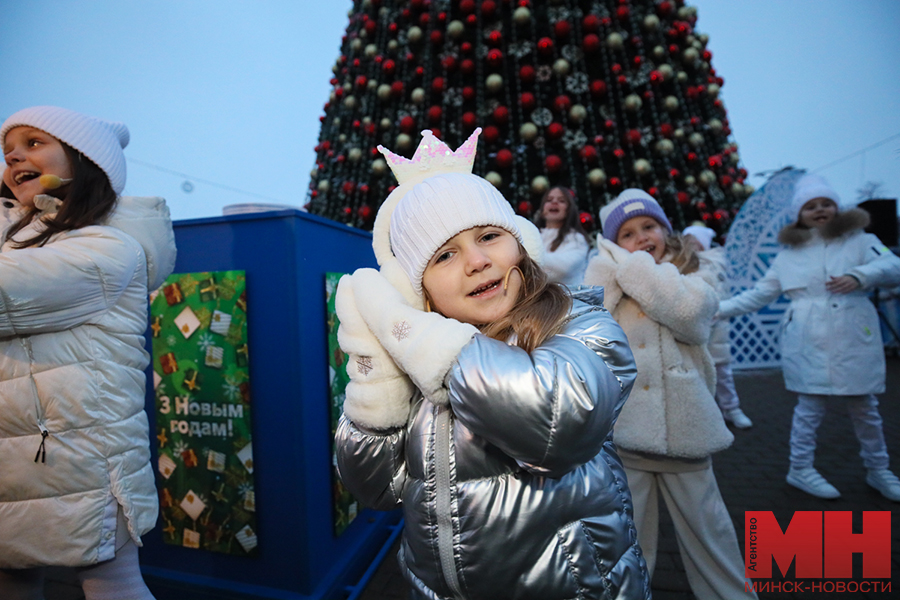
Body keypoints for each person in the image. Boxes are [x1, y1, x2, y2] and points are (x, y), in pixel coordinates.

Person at [333, 129, 650, 600]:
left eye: (489, 236)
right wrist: (377, 373)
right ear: (419, 288)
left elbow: (556, 426)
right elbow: (376, 487)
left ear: (520, 244)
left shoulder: (579, 323)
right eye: (445, 255)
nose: (477, 262)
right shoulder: (411, 361)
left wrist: (411, 332)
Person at [0, 106, 176, 600]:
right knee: (13, 577)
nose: (14, 154)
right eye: (8, 151)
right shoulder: (18, 240)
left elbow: (11, 292)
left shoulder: (106, 248)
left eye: (34, 143)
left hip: (82, 456)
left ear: (83, 162)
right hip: (15, 453)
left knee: (110, 583)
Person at [584, 189, 756, 600]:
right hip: (626, 436)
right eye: (626, 234)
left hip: (688, 433)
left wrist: (633, 265)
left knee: (711, 539)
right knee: (626, 546)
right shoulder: (611, 277)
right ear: (611, 244)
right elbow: (588, 319)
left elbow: (691, 318)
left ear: (666, 229)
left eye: (649, 226)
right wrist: (608, 265)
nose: (642, 238)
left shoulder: (696, 271)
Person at [718, 173, 900, 501]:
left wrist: (861, 275)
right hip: (808, 339)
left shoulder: (860, 240)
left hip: (853, 334)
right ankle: (800, 468)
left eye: (826, 203)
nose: (819, 210)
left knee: (865, 407)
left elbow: (893, 267)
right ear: (800, 214)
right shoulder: (788, 255)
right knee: (809, 407)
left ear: (837, 207)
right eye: (811, 206)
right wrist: (713, 310)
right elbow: (758, 295)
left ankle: (879, 469)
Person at [683, 224, 753, 429]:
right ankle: (705, 412)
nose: (692, 247)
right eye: (687, 243)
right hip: (695, 327)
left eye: (695, 243)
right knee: (696, 372)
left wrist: (716, 311)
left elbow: (722, 292)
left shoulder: (716, 264)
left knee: (722, 372)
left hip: (718, 326)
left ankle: (731, 407)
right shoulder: (683, 265)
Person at [533, 185, 591, 286]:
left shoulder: (576, 239)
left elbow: (563, 270)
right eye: (549, 200)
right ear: (542, 210)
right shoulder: (532, 236)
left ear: (569, 210)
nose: (554, 202)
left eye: (561, 200)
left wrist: (528, 259)